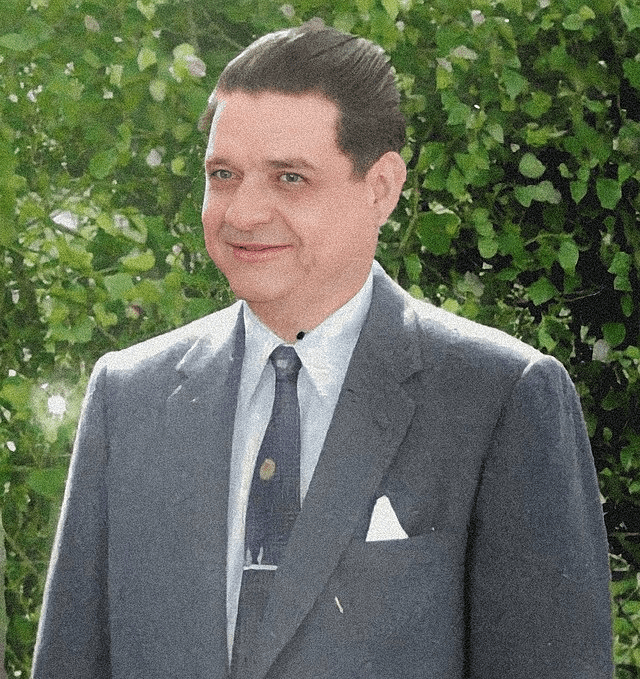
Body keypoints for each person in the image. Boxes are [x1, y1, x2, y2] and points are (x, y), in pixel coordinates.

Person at [32, 19, 613, 679]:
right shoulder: (128, 397)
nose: (242, 213)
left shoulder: (499, 398)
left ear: (382, 188)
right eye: (223, 174)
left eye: (289, 178)